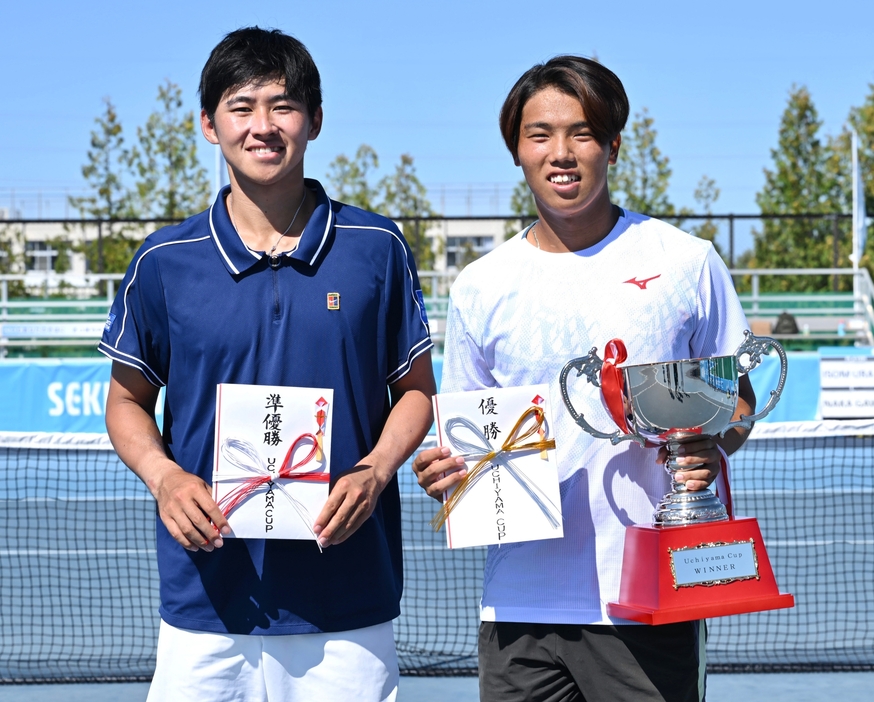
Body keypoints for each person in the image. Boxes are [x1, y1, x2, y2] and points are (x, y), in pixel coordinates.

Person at [101, 27, 435, 702]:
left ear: (314, 119)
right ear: (207, 124)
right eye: (241, 105)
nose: (263, 126)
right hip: (206, 605)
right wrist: (165, 478)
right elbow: (126, 399)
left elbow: (417, 391)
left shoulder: (376, 246)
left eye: (282, 106)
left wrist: (374, 470)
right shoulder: (164, 261)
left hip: (348, 601)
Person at [413, 56, 756, 702]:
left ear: (614, 146)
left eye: (583, 133)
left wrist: (712, 444)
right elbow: (464, 444)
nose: (561, 153)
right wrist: (446, 480)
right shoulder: (480, 286)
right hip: (520, 610)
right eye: (540, 134)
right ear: (517, 150)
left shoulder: (686, 263)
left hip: (650, 600)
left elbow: (735, 402)